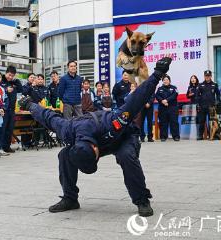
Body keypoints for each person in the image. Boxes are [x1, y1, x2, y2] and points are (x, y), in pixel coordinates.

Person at [19, 57, 173, 217]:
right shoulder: (68, 130)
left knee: (126, 156)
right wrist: (30, 105)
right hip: (91, 136)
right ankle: (70, 198)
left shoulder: (115, 121)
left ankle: (142, 200)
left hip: (121, 137)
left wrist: (157, 74)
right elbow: (49, 117)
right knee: (64, 155)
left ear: (95, 148)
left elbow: (137, 98)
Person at [0, 66, 23, 153]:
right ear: (6, 73)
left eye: (12, 76)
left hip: (12, 109)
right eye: (9, 75)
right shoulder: (1, 81)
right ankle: (1, 147)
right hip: (4, 109)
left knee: (10, 129)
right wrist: (6, 90)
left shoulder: (14, 82)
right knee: (3, 129)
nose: (10, 77)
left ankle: (7, 146)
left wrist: (17, 81)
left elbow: (21, 90)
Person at [196, 70, 221, 140]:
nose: (207, 77)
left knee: (212, 122)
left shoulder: (214, 84)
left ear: (211, 76)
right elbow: (197, 95)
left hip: (212, 107)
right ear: (204, 76)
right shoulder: (200, 85)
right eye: (206, 76)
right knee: (201, 121)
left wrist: (217, 101)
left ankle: (212, 136)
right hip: (202, 106)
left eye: (209, 76)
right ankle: (200, 136)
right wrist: (198, 104)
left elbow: (218, 94)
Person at [156, 75, 180, 141]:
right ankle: (163, 136)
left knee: (174, 122)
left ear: (169, 80)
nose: (165, 81)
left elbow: (175, 95)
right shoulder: (160, 88)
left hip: (172, 108)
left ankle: (176, 136)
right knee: (163, 122)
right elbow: (157, 96)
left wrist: (166, 100)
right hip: (162, 108)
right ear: (162, 81)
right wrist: (162, 101)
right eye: (164, 80)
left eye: (167, 80)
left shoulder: (174, 88)